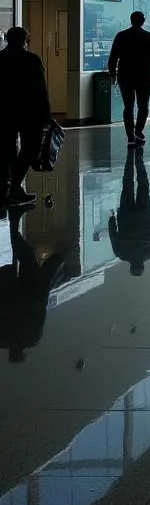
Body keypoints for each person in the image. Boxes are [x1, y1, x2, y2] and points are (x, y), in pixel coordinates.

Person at [0, 207, 65, 363]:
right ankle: (10, 220)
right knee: (10, 258)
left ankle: (13, 220)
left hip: (29, 290)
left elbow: (39, 308)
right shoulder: (2, 340)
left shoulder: (32, 338)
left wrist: (54, 263)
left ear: (22, 353)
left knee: (27, 256)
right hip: (6, 292)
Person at [0, 27, 50, 209]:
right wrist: (47, 114)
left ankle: (5, 188)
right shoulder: (31, 60)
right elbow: (40, 90)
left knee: (6, 149)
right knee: (30, 148)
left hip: (4, 112)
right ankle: (14, 187)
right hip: (29, 113)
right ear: (25, 41)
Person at [107, 11, 150, 146]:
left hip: (125, 76)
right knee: (143, 105)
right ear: (143, 21)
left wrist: (112, 74)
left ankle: (130, 136)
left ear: (131, 20)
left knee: (128, 106)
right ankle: (138, 131)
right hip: (143, 76)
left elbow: (113, 57)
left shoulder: (121, 36)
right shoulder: (149, 37)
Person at [109, 148, 150, 276]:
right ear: (131, 267)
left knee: (143, 184)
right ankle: (130, 154)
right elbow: (113, 235)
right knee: (127, 183)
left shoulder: (149, 253)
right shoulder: (121, 254)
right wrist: (112, 218)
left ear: (142, 266)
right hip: (125, 215)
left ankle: (138, 156)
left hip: (143, 214)